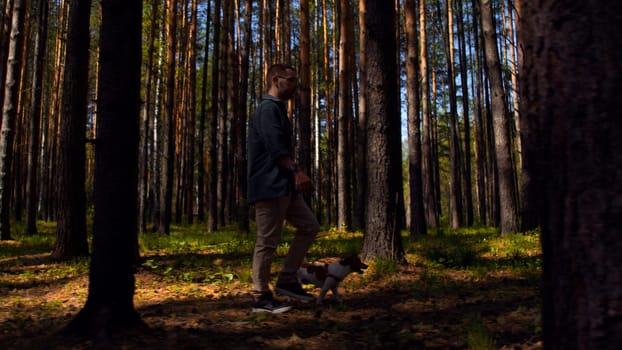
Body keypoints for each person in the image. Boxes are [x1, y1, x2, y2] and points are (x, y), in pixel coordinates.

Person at [247, 63, 320, 313]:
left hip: (284, 186)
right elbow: (275, 147)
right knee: (267, 241)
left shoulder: (277, 110)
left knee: (309, 226)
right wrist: (297, 171)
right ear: (276, 79)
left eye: (295, 82)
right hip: (269, 185)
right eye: (290, 81)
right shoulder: (267, 110)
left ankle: (288, 280)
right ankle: (260, 297)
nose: (294, 87)